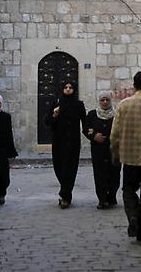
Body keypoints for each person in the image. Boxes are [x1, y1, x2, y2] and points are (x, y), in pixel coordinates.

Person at [109, 71, 141, 242]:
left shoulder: (123, 105)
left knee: (128, 189)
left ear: (134, 85)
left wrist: (115, 154)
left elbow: (114, 134)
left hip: (129, 157)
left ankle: (133, 215)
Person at [44, 80, 86, 208]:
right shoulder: (57, 103)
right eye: (66, 87)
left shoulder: (78, 105)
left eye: (71, 87)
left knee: (70, 168)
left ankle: (65, 196)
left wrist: (92, 133)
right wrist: (55, 115)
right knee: (59, 167)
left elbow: (85, 122)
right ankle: (65, 191)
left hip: (73, 142)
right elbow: (47, 122)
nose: (68, 89)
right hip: (59, 141)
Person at [84, 91, 121, 209]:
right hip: (98, 150)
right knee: (100, 174)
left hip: (114, 150)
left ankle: (112, 196)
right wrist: (94, 136)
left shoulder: (117, 114)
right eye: (102, 100)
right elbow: (86, 128)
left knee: (114, 174)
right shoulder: (92, 114)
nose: (105, 102)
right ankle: (102, 199)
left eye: (107, 100)